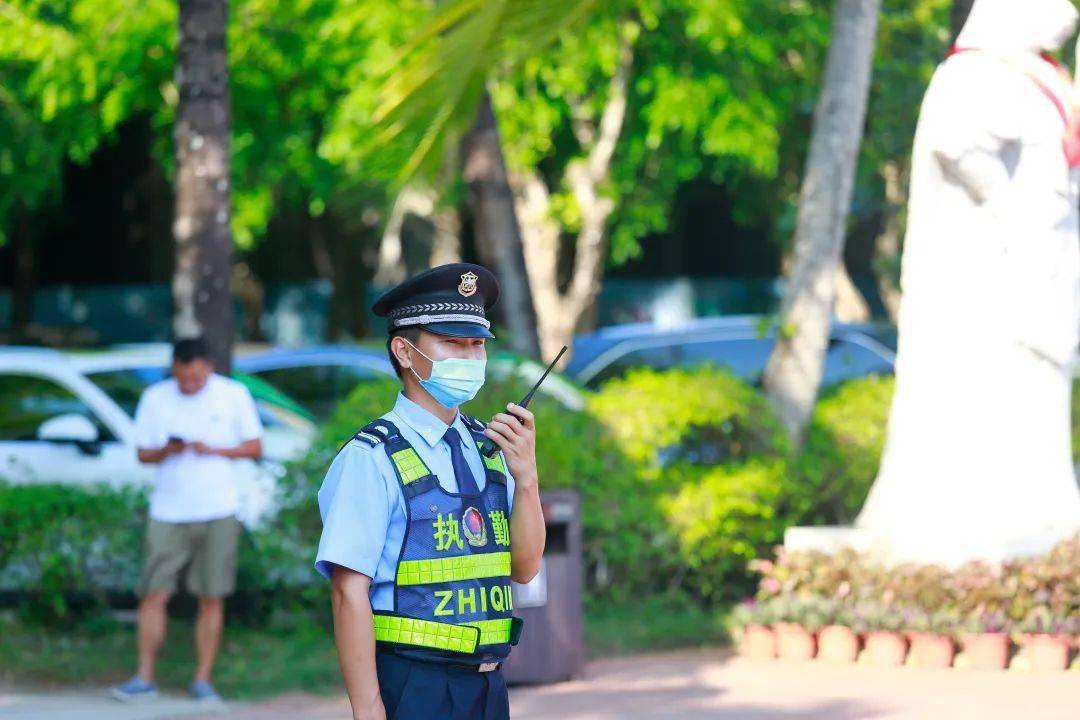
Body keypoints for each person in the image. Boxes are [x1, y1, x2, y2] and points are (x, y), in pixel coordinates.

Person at [315, 263, 546, 720]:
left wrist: (528, 479)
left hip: (488, 685)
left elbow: (523, 569)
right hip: (413, 683)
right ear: (404, 351)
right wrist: (369, 709)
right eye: (451, 342)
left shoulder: (490, 448)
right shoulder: (372, 457)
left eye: (476, 344)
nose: (469, 357)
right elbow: (348, 593)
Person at [111, 337, 263, 703]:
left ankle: (203, 678)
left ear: (209, 368)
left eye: (197, 378)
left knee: (212, 596)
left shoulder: (233, 394)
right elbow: (143, 454)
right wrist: (169, 449)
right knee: (154, 593)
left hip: (219, 508)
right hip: (168, 510)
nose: (191, 385)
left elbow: (254, 446)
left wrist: (214, 449)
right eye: (184, 379)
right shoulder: (156, 398)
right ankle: (144, 676)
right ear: (174, 369)